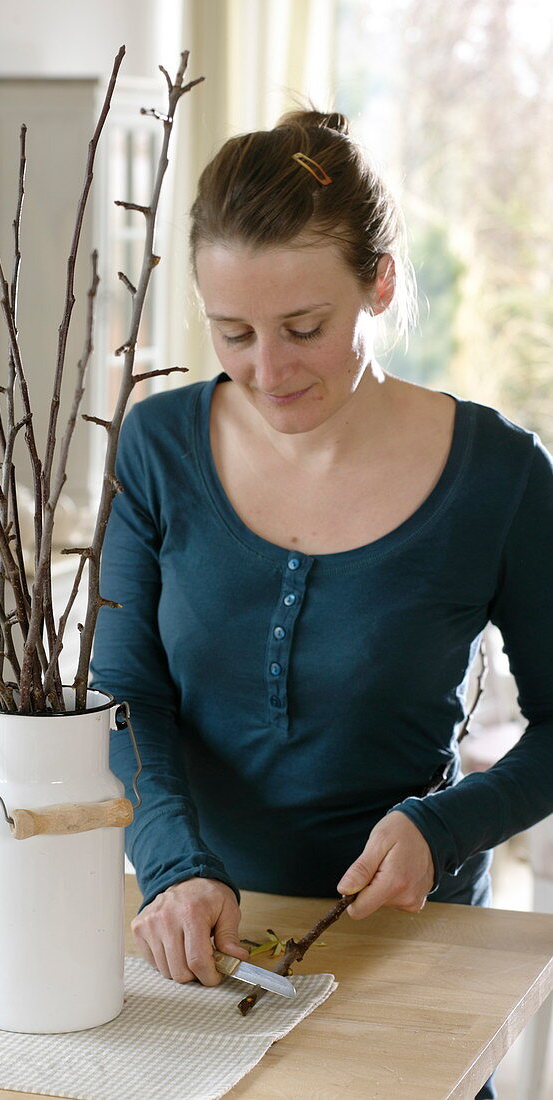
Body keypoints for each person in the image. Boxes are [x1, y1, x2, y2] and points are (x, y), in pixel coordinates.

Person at [89, 109, 553, 1099]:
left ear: (378, 283)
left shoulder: (500, 475)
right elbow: (125, 687)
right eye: (232, 332)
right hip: (193, 943)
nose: (266, 369)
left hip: (413, 950)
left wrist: (448, 825)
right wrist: (173, 863)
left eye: (303, 327)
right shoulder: (158, 445)